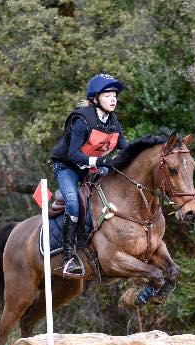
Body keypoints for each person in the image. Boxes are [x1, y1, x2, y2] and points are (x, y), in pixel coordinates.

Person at [50, 73, 127, 276]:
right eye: (108, 95)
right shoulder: (82, 119)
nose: (114, 99)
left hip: (91, 167)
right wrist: (102, 162)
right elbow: (74, 154)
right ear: (95, 98)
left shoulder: (113, 121)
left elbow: (126, 150)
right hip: (67, 166)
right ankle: (68, 258)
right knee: (74, 203)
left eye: (115, 95)